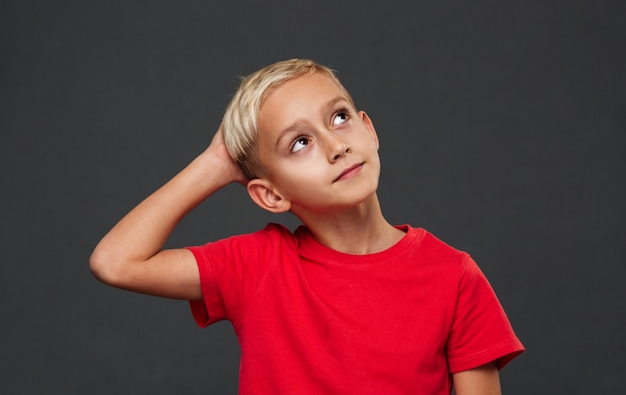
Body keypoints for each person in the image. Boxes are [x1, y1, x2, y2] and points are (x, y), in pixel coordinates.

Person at [90, 58, 524, 394]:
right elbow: (115, 262)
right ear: (271, 195)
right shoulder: (258, 266)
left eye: (339, 117)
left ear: (369, 130)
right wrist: (215, 162)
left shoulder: (453, 276)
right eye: (300, 143)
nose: (337, 146)